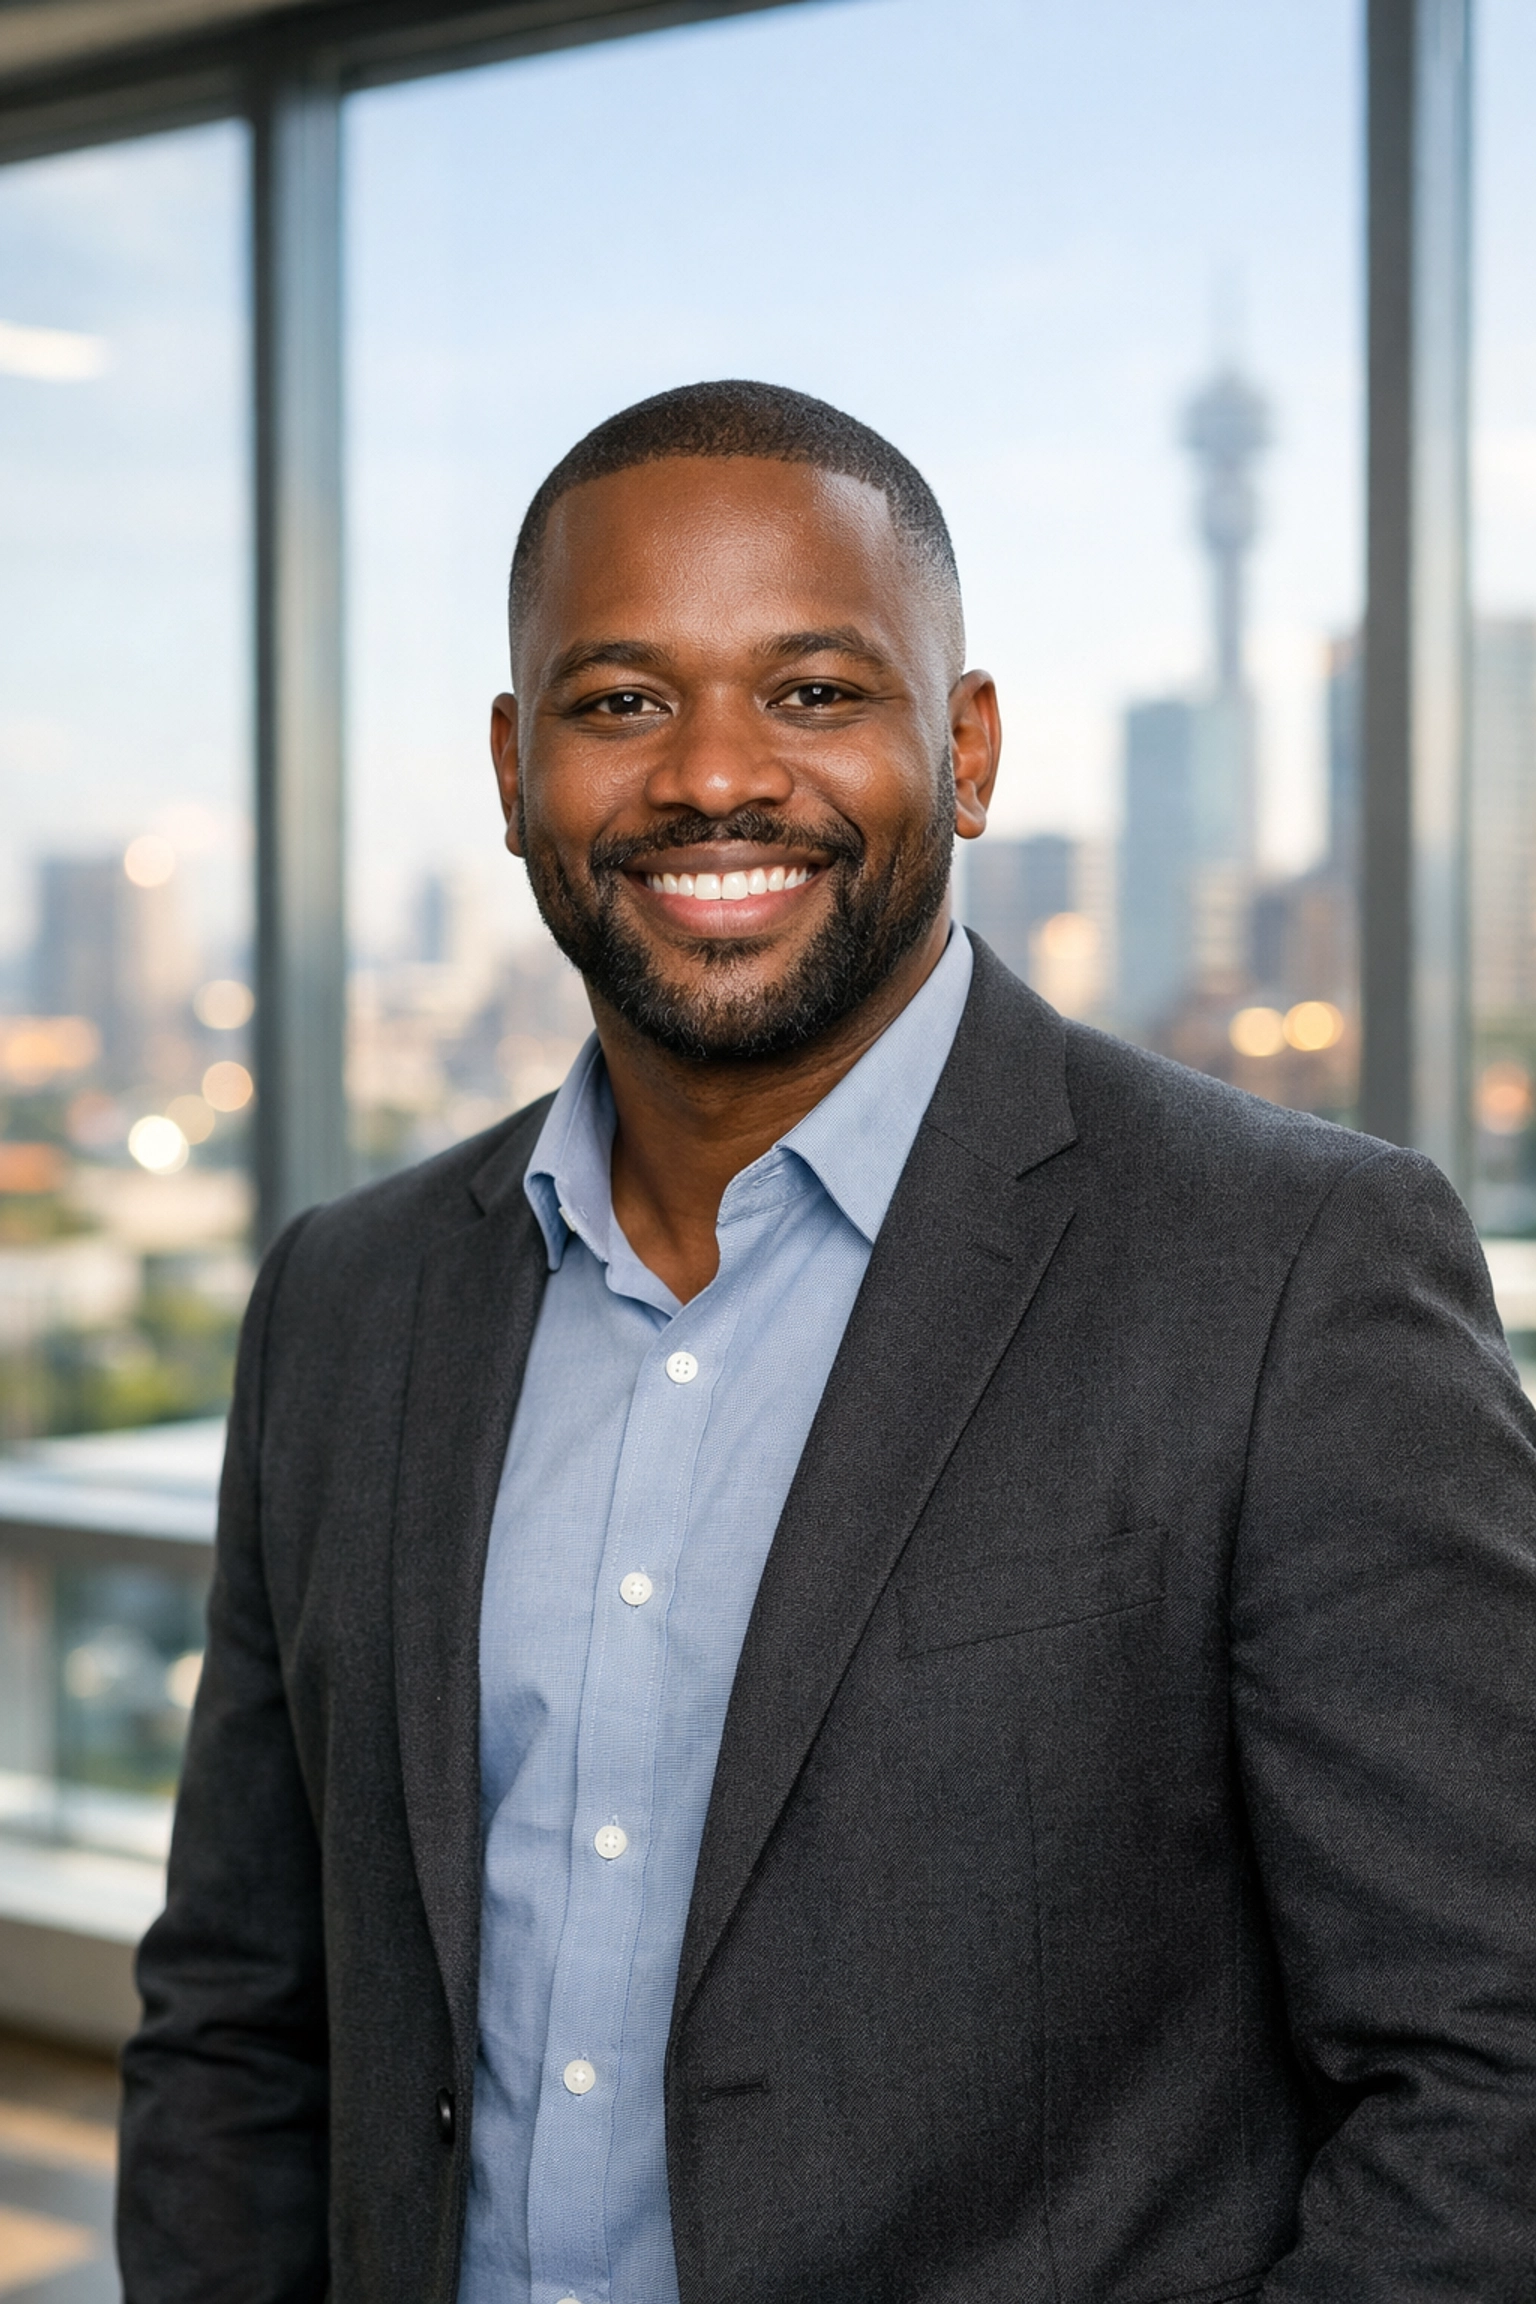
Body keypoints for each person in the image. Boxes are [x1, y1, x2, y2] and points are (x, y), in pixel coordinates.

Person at [118, 380, 1536, 2304]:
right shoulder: (345, 1301)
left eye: (812, 693)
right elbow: (238, 2013)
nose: (715, 777)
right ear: (513, 765)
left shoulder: (1287, 1271)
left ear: (964, 750)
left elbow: (1490, 2070)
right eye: (621, 701)